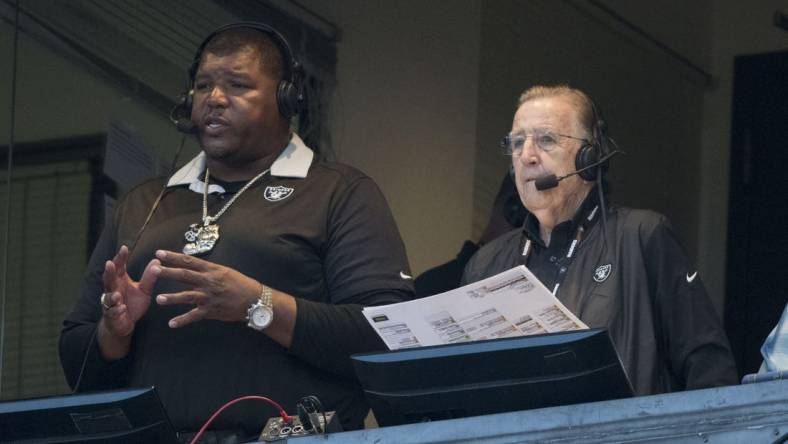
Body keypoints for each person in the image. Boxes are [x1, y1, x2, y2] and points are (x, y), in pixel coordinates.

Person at [59, 23, 414, 440]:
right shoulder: (145, 203)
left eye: (238, 85)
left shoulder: (339, 192)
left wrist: (258, 304)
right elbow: (76, 367)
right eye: (203, 86)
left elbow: (387, 335)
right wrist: (113, 333)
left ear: (286, 99)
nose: (215, 99)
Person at [462, 85, 737, 395]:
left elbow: (710, 371)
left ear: (588, 156)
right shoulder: (485, 264)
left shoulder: (642, 235)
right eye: (516, 143)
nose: (526, 156)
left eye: (546, 140)